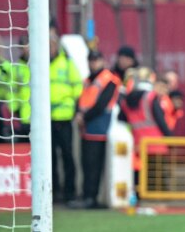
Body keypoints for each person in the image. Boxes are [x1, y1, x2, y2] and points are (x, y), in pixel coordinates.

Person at [75, 50, 122, 208]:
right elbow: (81, 99)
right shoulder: (88, 80)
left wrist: (83, 117)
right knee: (86, 163)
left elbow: (101, 105)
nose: (93, 63)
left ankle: (92, 197)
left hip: (99, 126)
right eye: (91, 60)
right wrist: (79, 114)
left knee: (94, 164)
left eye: (96, 60)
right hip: (86, 127)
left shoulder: (110, 79)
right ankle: (87, 195)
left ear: (102, 61)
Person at [119, 66, 171, 186]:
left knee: (140, 179)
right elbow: (160, 120)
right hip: (156, 144)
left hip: (138, 145)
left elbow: (122, 118)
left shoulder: (126, 100)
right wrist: (170, 137)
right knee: (156, 180)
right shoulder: (150, 97)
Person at [49, 30, 84, 204]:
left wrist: (75, 109)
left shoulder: (67, 63)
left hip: (63, 117)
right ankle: (53, 191)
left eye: (51, 44)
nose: (49, 48)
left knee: (67, 155)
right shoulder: (39, 64)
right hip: (46, 118)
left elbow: (78, 88)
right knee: (50, 157)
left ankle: (70, 191)